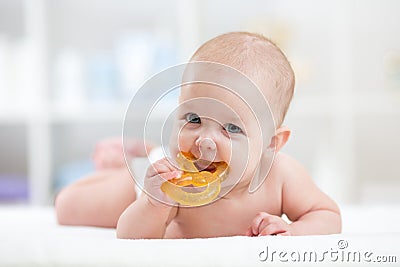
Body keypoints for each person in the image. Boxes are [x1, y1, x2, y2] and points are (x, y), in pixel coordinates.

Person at [55, 32, 341, 238]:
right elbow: (132, 236)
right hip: (148, 182)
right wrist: (154, 203)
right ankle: (129, 163)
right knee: (68, 207)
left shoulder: (283, 176)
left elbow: (327, 216)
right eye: (193, 119)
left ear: (271, 144)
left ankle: (140, 151)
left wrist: (293, 231)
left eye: (231, 128)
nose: (205, 141)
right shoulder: (174, 180)